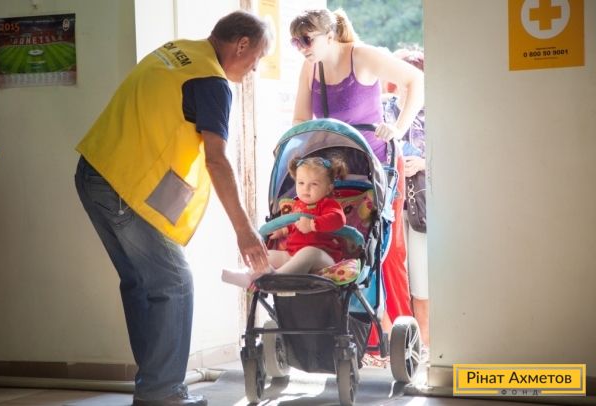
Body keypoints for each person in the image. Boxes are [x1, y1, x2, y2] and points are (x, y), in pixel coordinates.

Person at [74, 10, 271, 406]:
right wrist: (244, 230)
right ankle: (162, 392)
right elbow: (217, 160)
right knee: (174, 283)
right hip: (125, 187)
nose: (255, 69)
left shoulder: (176, 51)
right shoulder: (212, 81)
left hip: (94, 170)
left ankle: (153, 387)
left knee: (140, 282)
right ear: (242, 44)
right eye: (258, 58)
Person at [289, 8, 424, 366]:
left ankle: (393, 336)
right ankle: (349, 336)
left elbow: (416, 81)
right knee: (338, 245)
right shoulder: (310, 67)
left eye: (307, 40)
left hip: (376, 166)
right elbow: (300, 120)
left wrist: (398, 128)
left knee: (386, 251)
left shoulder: (362, 56)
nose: (302, 47)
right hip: (334, 172)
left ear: (329, 35)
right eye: (296, 42)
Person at [222, 155, 348, 288]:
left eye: (314, 184)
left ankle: (276, 278)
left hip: (323, 258)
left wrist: (312, 225)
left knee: (309, 252)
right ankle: (248, 275)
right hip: (293, 254)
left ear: (328, 188)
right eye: (301, 183)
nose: (306, 188)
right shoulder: (298, 205)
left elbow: (338, 219)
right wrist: (283, 231)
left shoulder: (328, 204)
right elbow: (294, 225)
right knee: (267, 255)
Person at [384, 47, 429, 355]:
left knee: (421, 277)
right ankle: (396, 343)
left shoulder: (436, 112)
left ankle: (424, 342)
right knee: (394, 272)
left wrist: (423, 164)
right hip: (390, 201)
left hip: (424, 206)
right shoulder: (382, 109)